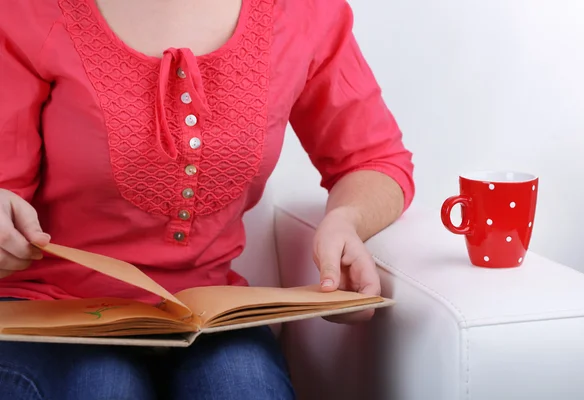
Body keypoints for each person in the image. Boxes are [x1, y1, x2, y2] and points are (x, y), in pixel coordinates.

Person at [0, 0, 415, 398]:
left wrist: (346, 221)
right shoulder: (26, 11)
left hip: (212, 314)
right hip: (52, 310)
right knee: (104, 385)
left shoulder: (305, 13)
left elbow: (374, 159)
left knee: (244, 388)